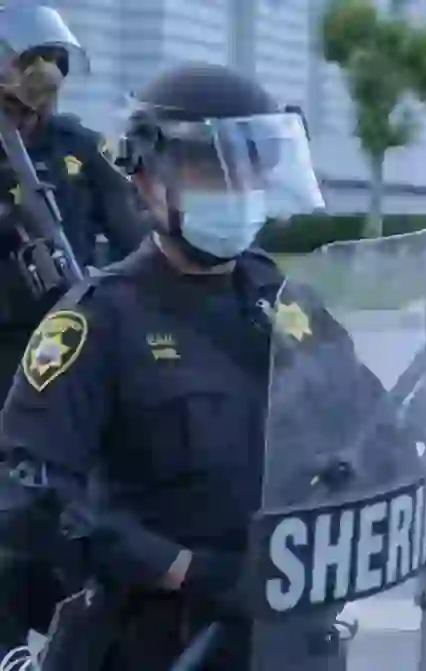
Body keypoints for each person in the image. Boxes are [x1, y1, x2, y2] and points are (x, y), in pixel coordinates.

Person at [0, 62, 358, 668]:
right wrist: (181, 569)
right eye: (207, 167)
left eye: (248, 165)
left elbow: (364, 419)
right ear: (145, 181)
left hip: (287, 632)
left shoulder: (283, 300)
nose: (234, 184)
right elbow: (29, 493)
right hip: (163, 639)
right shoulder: (98, 320)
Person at [0, 4, 149, 654]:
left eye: (54, 64)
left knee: (75, 526)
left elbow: (135, 235)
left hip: (67, 357)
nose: (45, 79)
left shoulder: (75, 148)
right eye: (34, 63)